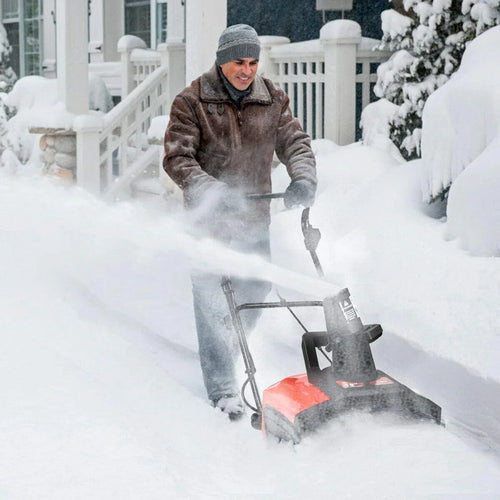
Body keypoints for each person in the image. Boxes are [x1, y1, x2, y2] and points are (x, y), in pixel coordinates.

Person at [163, 24, 317, 420]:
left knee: (257, 289)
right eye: (238, 62)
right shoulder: (192, 101)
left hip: (253, 220)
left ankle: (228, 351)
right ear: (221, 60)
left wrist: (302, 178)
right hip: (208, 226)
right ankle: (224, 391)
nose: (247, 70)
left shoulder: (272, 99)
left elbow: (295, 143)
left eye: (252, 62)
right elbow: (177, 158)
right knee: (212, 305)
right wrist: (212, 191)